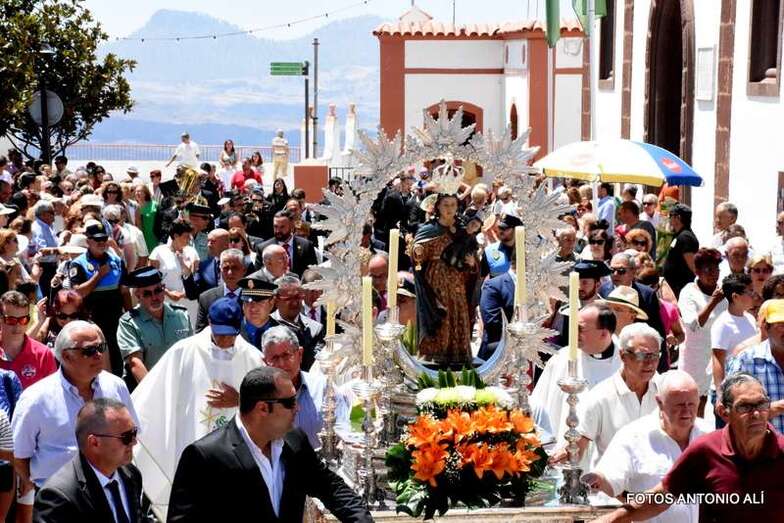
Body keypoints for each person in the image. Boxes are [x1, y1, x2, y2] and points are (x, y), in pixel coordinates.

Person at [167, 366, 372, 522]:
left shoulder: (295, 442)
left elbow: (330, 487)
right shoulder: (205, 456)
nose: (297, 408)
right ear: (263, 408)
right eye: (290, 402)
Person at [131, 297, 262, 518]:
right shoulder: (183, 352)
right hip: (191, 443)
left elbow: (267, 406)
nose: (223, 340)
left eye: (230, 335)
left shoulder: (252, 357)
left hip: (237, 455)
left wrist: (240, 401)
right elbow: (149, 399)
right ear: (209, 322)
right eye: (219, 333)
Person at [594, 373, 783, 522]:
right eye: (745, 407)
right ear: (723, 412)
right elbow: (661, 498)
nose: (757, 414)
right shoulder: (706, 450)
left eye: (762, 404)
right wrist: (611, 519)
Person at [12, 322, 137, 516]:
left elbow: (132, 433)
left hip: (112, 493)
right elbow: (19, 456)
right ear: (66, 356)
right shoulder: (35, 399)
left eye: (101, 347)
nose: (99, 355)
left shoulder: (116, 386)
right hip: (60, 501)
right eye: (89, 351)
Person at [583, 370, 708, 523]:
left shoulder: (709, 435)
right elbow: (609, 479)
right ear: (660, 402)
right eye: (680, 404)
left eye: (692, 404)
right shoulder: (634, 436)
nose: (687, 411)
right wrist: (597, 480)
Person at [552, 323, 662, 466]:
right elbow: (577, 447)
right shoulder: (601, 396)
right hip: (612, 484)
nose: (650, 363)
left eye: (654, 356)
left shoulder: (664, 391)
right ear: (623, 356)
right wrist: (560, 456)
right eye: (642, 356)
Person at [33, 399, 144, 523]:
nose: (134, 442)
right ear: (94, 442)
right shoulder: (58, 496)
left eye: (134, 432)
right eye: (127, 437)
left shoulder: (131, 475)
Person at [531, 303, 621, 445]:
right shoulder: (562, 360)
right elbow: (538, 406)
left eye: (580, 329)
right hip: (563, 453)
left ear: (603, 333)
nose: (574, 334)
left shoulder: (627, 363)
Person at [412, 193, 479, 365]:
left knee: (458, 312)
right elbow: (418, 256)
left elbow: (470, 252)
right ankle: (435, 357)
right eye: (445, 205)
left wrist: (472, 262)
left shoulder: (462, 228)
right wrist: (418, 253)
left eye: (453, 205)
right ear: (438, 207)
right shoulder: (429, 229)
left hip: (457, 280)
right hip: (435, 281)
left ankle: (458, 355)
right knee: (441, 315)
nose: (449, 209)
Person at [261, 326, 350, 448]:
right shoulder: (259, 396)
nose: (281, 364)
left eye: (287, 355)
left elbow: (345, 428)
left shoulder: (324, 387)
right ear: (265, 362)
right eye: (274, 358)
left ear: (300, 354)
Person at [117, 267, 193, 385]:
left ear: (164, 289)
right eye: (147, 294)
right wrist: (154, 392)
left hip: (180, 384)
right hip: (147, 386)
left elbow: (191, 353)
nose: (154, 297)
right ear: (138, 296)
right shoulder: (129, 322)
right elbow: (135, 363)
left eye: (158, 290)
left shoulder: (181, 315)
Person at [678, 248, 727, 415]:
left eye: (717, 269)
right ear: (698, 271)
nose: (714, 274)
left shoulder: (724, 293)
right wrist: (713, 302)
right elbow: (692, 325)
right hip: (694, 357)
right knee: (692, 402)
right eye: (709, 270)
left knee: (713, 401)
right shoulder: (689, 292)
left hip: (717, 356)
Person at [726, 299, 784, 432]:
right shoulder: (747, 360)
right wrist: (777, 407)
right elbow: (730, 412)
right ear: (766, 327)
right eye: (781, 325)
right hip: (761, 447)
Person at [711, 273, 757, 407]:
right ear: (735, 297)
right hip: (729, 391)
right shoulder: (722, 323)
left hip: (747, 387)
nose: (753, 295)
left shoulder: (750, 318)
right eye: (750, 292)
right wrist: (721, 394)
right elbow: (717, 359)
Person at [0, 290, 57, 390]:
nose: (17, 327)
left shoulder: (43, 354)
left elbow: (53, 395)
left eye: (23, 320)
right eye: (11, 320)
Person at [149, 219, 200, 326]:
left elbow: (197, 279)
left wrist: (183, 294)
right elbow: (152, 280)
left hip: (189, 302)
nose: (189, 239)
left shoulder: (192, 252)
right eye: (186, 236)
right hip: (166, 301)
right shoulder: (158, 252)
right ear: (176, 235)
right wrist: (168, 293)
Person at [271, 275, 324, 372]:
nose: (294, 302)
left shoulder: (314, 329)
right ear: (276, 300)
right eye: (288, 298)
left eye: (298, 297)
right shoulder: (267, 325)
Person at [193, 248, 246, 332]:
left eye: (235, 268)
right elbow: (200, 332)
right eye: (226, 268)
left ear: (244, 270)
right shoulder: (206, 298)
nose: (230, 273)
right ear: (219, 269)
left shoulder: (253, 297)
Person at [253, 210, 318, 277]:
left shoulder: (306, 246)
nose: (278, 231)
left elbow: (313, 273)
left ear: (291, 226)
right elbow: (259, 276)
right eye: (275, 227)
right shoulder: (263, 248)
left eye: (282, 227)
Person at [662, 204, 699, 298]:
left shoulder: (685, 237)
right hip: (674, 286)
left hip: (681, 287)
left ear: (678, 218)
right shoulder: (679, 235)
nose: (669, 219)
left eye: (670, 216)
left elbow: (693, 265)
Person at [182, 228, 230, 299]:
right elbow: (192, 294)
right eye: (208, 241)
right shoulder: (203, 266)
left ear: (226, 244)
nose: (208, 245)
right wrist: (187, 273)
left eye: (213, 241)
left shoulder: (241, 264)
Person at [237, 275, 278, 348]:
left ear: (271, 303)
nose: (253, 308)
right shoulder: (230, 332)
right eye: (248, 302)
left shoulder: (285, 331)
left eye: (260, 302)